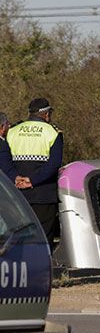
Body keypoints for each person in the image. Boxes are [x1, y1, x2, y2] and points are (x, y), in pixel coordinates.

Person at [0, 98, 64, 243]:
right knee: (43, 238)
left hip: (16, 195)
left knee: (17, 239)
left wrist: (15, 178)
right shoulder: (53, 132)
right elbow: (54, 164)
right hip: (43, 195)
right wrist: (32, 181)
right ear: (46, 114)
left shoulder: (13, 130)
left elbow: (4, 160)